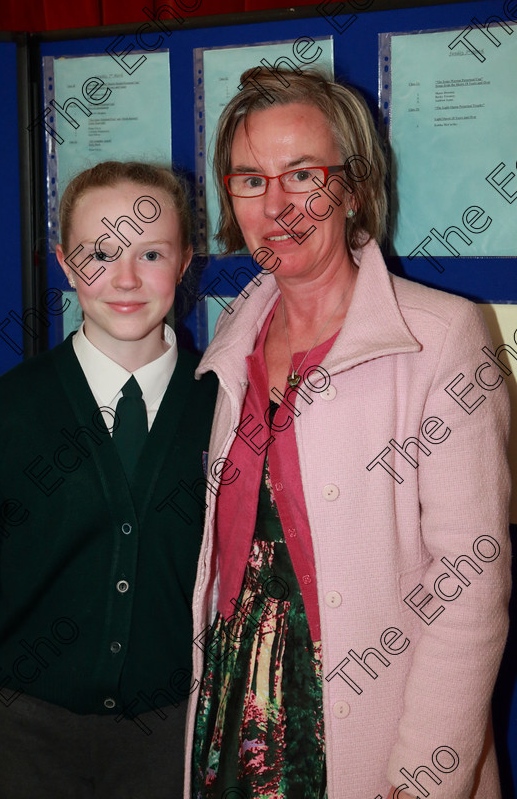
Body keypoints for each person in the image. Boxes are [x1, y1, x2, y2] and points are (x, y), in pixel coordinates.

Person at [186, 68, 511, 799]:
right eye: (249, 179)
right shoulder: (236, 336)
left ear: (354, 188)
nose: (277, 206)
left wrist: (425, 774)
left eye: (302, 174)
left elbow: (470, 581)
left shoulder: (441, 336)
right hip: (237, 705)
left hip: (372, 723)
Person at [0, 161, 217, 798]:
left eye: (150, 252)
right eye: (100, 253)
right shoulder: (10, 408)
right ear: (66, 263)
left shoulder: (221, 406)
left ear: (185, 260)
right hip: (31, 734)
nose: (125, 278)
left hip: (173, 734)